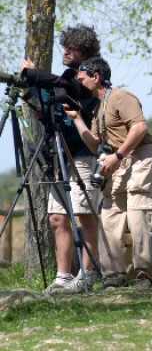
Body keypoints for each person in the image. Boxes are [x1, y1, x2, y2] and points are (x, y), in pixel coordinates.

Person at [65, 56, 152, 288]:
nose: (78, 84)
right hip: (118, 165)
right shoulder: (99, 108)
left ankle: (145, 276)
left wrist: (117, 156)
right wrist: (78, 120)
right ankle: (113, 276)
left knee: (141, 216)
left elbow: (139, 127)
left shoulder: (121, 97)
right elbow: (96, 145)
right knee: (110, 218)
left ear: (95, 77)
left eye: (81, 79)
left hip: (139, 159)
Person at [21, 24, 102, 294]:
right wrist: (32, 87)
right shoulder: (67, 76)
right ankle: (63, 276)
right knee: (57, 218)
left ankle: (87, 275)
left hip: (82, 153)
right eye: (64, 46)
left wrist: (37, 77)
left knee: (84, 214)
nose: (65, 51)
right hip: (58, 153)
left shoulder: (92, 75)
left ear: (84, 51)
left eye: (71, 48)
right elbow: (52, 99)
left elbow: (69, 92)